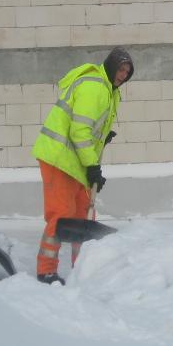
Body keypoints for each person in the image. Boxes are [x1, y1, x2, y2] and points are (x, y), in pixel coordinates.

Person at [31, 47, 134, 285]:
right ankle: (46, 270)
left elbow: (88, 128)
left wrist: (102, 139)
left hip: (75, 160)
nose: (122, 75)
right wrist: (92, 167)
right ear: (110, 66)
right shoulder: (95, 87)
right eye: (120, 69)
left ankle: (83, 270)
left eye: (127, 72)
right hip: (59, 158)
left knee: (84, 217)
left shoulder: (110, 90)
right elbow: (79, 131)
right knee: (61, 216)